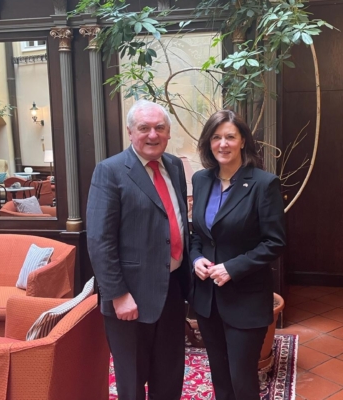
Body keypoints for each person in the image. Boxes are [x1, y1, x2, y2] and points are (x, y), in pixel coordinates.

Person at [86, 99, 190, 400]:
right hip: (129, 296)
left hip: (171, 287)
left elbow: (178, 219)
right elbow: (99, 240)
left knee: (170, 373)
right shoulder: (111, 171)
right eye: (144, 128)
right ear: (130, 132)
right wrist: (117, 295)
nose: (152, 135)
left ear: (168, 133)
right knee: (132, 380)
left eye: (160, 128)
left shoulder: (174, 166)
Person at [190, 110, 286, 400]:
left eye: (230, 136)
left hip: (246, 298)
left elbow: (275, 242)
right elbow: (197, 234)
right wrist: (196, 259)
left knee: (241, 378)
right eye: (216, 137)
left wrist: (232, 267)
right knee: (219, 374)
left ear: (243, 141)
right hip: (208, 299)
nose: (223, 143)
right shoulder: (201, 180)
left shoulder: (263, 184)